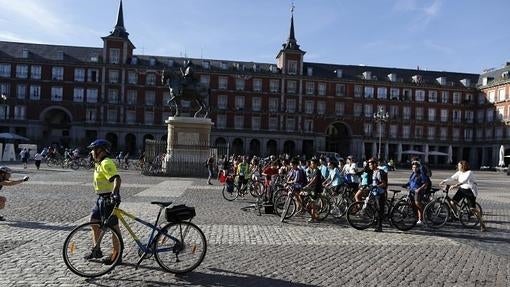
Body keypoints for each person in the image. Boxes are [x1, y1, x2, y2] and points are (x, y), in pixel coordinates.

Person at [85, 139, 122, 265]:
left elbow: (117, 179)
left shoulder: (106, 163)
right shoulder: (99, 163)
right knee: (94, 221)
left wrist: (115, 193)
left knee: (114, 229)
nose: (91, 152)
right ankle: (97, 250)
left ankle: (117, 255)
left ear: (100, 151)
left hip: (109, 200)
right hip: (101, 199)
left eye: (93, 150)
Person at [440, 160, 486, 232]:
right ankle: (458, 214)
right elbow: (452, 177)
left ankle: (482, 224)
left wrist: (455, 185)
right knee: (452, 202)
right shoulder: (459, 172)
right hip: (462, 189)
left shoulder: (469, 172)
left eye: (459, 166)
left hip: (470, 191)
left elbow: (464, 181)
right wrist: (444, 181)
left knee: (472, 209)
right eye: (458, 166)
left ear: (463, 166)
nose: (458, 167)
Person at [367, 158, 387, 232]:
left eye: (370, 165)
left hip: (380, 193)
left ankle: (379, 226)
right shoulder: (374, 171)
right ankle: (375, 223)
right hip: (375, 193)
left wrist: (376, 186)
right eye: (369, 165)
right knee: (375, 209)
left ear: (375, 164)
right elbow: (375, 182)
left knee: (379, 210)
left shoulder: (378, 172)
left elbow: (383, 184)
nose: (369, 166)